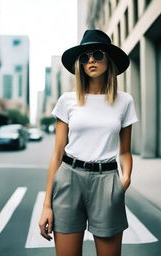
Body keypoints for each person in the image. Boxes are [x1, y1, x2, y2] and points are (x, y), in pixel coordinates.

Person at [38, 29, 138, 256]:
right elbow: (57, 154)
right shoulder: (67, 100)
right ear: (80, 65)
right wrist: (46, 205)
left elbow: (125, 152)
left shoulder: (124, 101)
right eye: (84, 57)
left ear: (109, 60)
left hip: (107, 181)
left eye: (97, 54)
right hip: (69, 179)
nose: (91, 60)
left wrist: (124, 180)